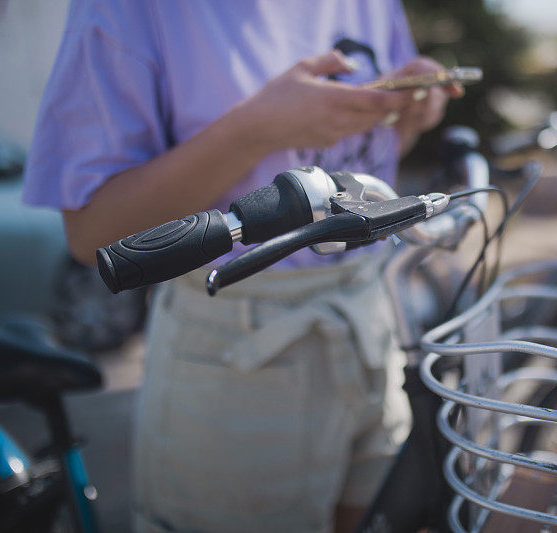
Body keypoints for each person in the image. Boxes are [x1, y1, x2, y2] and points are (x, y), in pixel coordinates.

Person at [23, 1, 462, 532]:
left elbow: (371, 152)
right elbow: (92, 231)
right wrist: (256, 128)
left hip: (369, 322)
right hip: (234, 348)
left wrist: (407, 114)